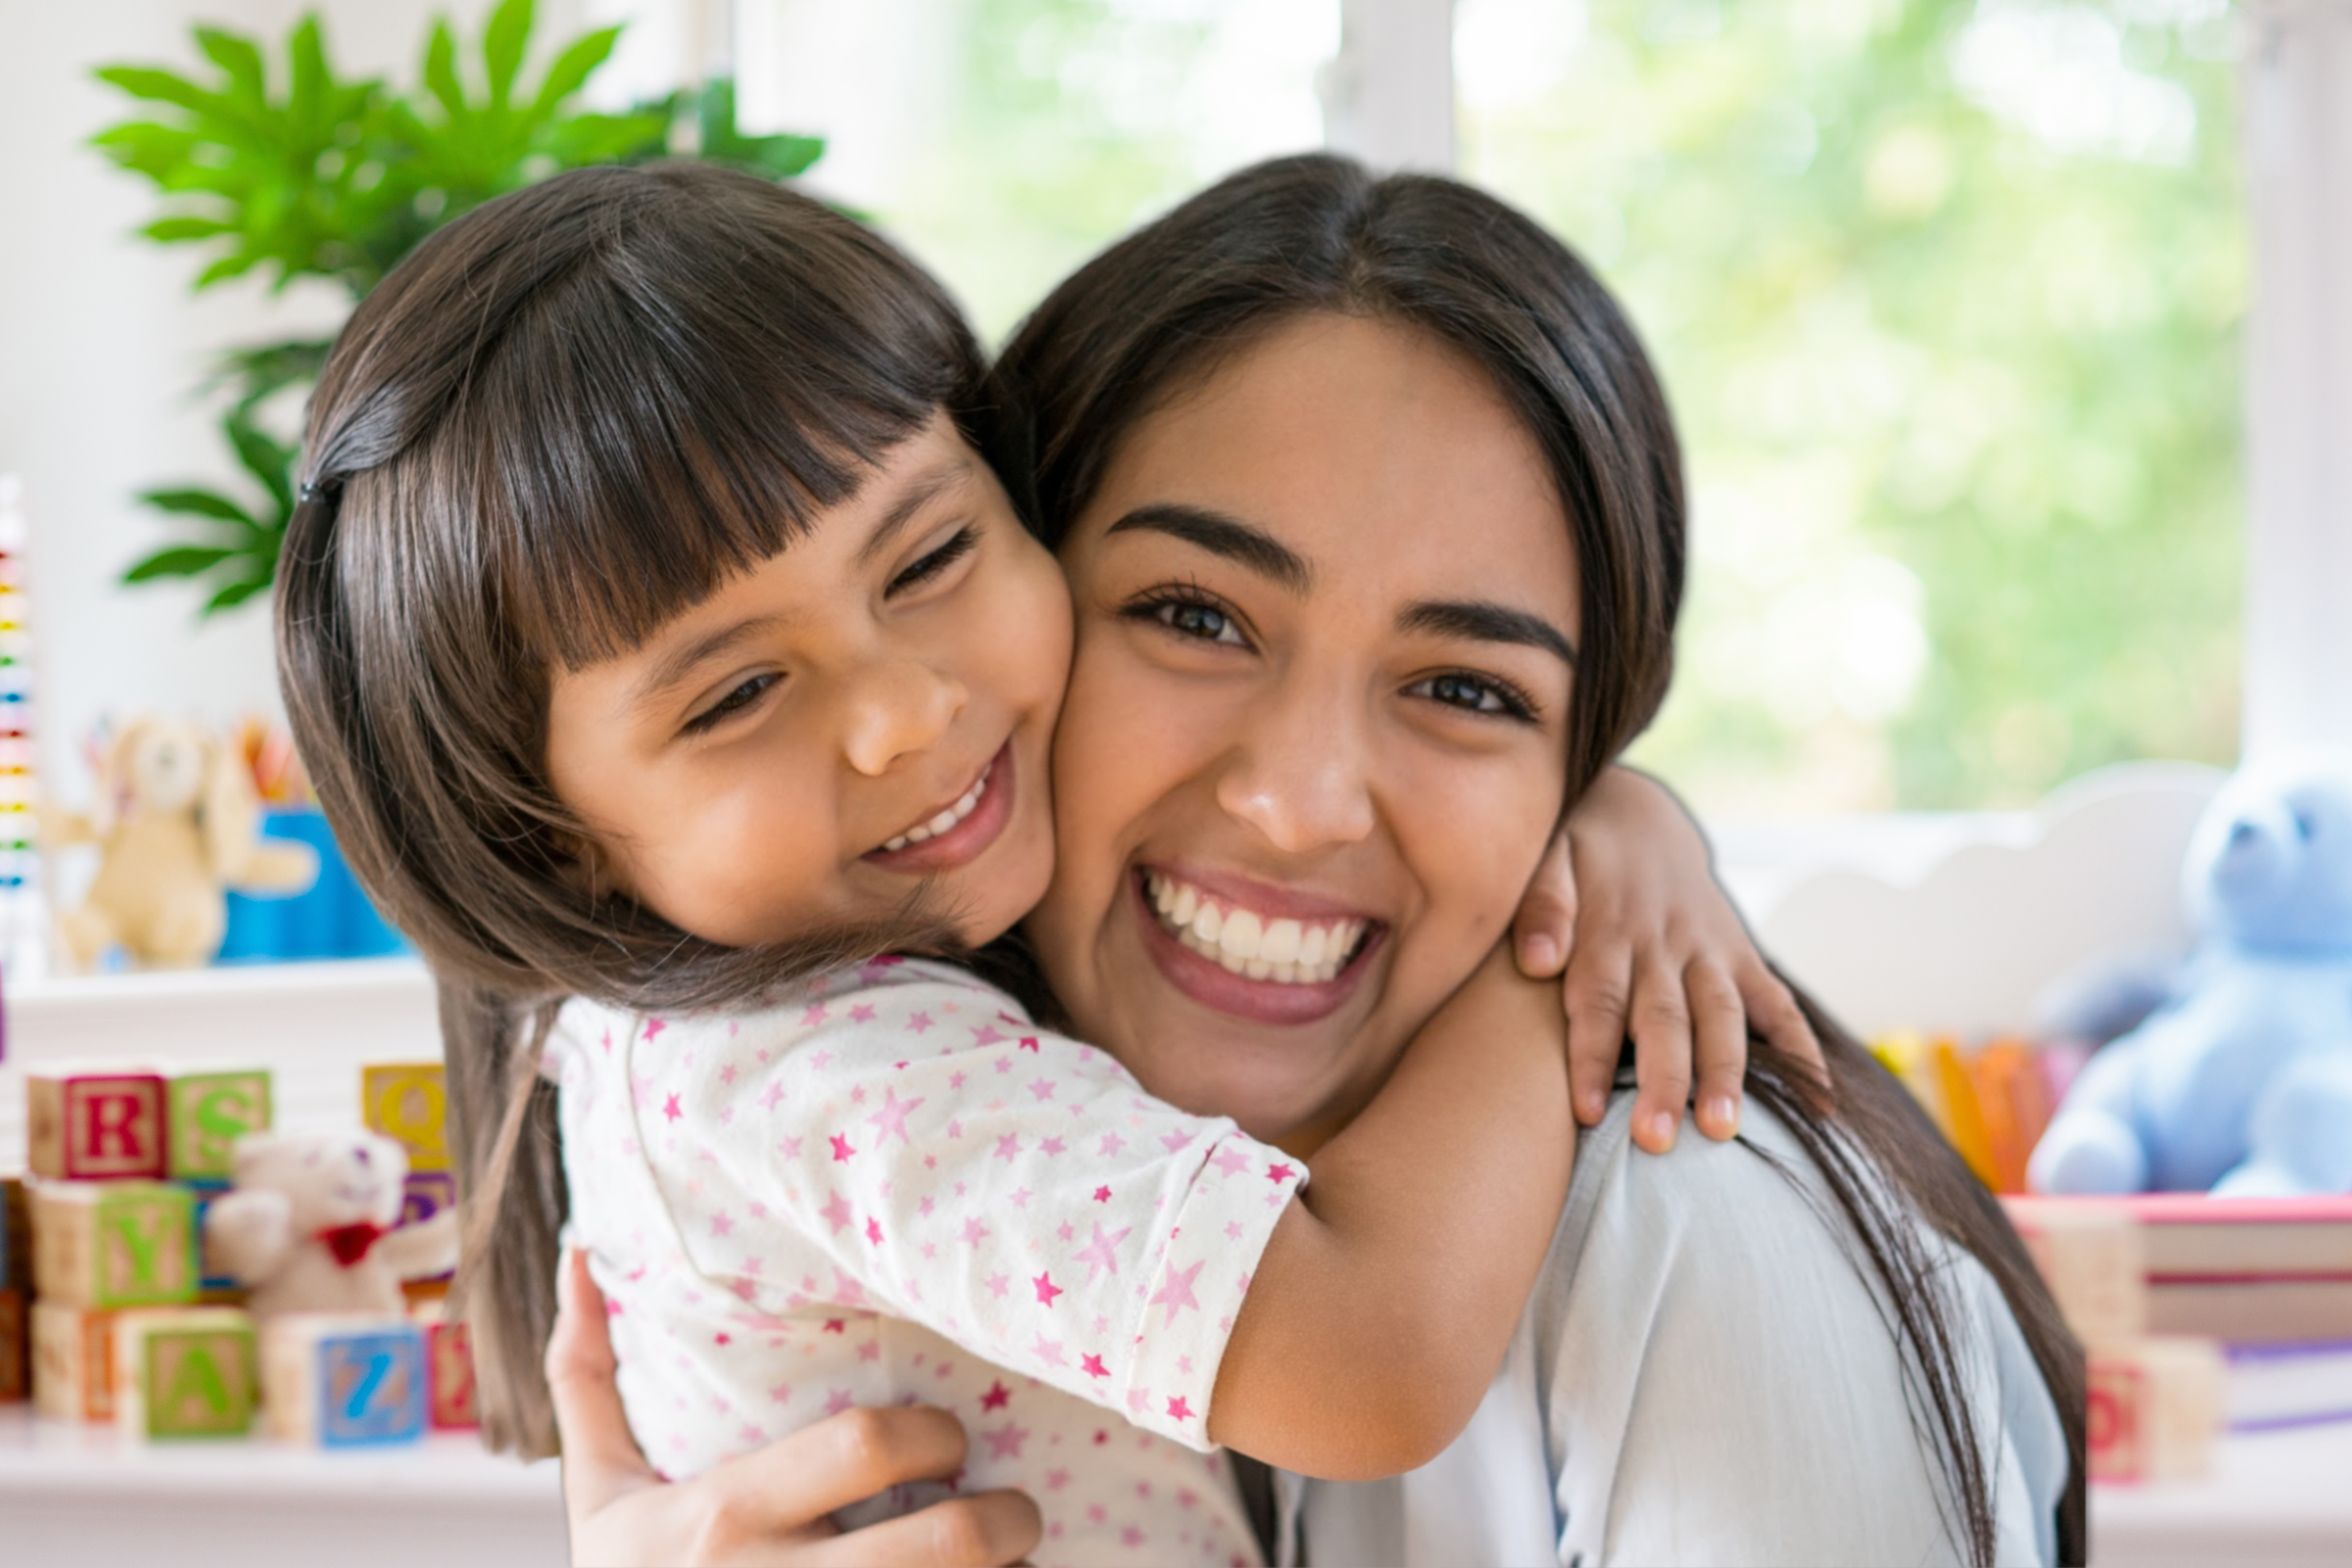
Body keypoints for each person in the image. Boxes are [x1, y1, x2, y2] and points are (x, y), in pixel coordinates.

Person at [547, 154, 2087, 1567]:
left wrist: (1543, 941)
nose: (1299, 801)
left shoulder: (1697, 1234)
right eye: (1196, 615)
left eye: (1472, 692)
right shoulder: (1023, 1187)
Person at [274, 162, 1813, 1565]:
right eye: (739, 693)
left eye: (929, 560)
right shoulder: (831, 1067)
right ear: (552, 844)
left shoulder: (821, 1001)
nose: (907, 712)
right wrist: (1558, 933)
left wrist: (1615, 808)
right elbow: (1375, 1357)